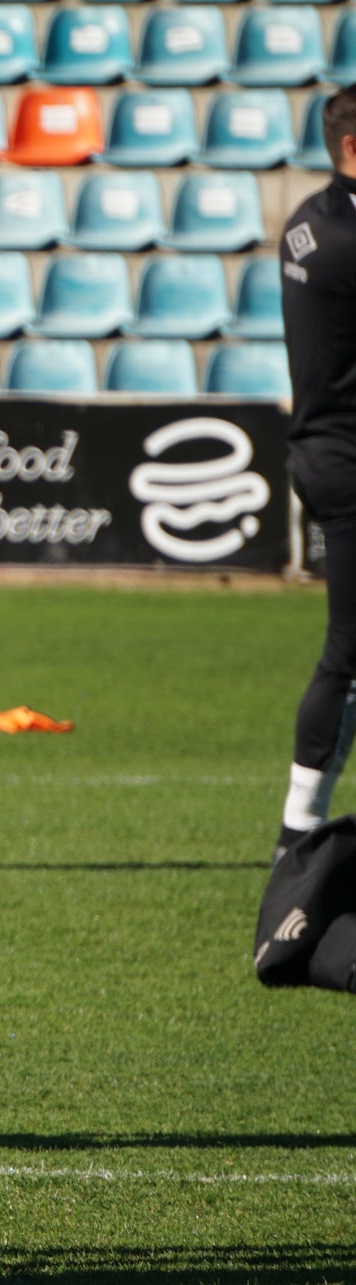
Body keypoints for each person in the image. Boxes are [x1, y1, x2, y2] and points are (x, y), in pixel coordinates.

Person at [260, 84, 356, 995]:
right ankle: (299, 831)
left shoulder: (312, 221)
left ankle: (303, 822)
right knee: (348, 650)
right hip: (349, 460)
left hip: (326, 452)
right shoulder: (345, 237)